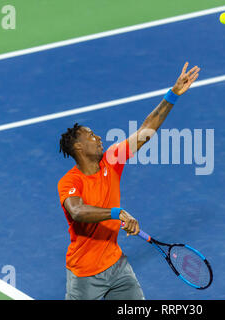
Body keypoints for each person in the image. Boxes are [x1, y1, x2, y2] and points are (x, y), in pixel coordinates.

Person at [57, 62, 200, 300]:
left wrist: (172, 94)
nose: (98, 137)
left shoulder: (112, 160)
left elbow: (146, 130)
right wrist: (117, 213)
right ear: (78, 147)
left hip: (118, 266)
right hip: (84, 275)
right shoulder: (70, 181)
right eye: (91, 135)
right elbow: (77, 212)